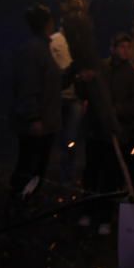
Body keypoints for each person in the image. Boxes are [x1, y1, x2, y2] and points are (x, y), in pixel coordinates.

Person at [79, 32, 134, 236]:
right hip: (96, 132)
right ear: (113, 48)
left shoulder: (132, 75)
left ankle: (105, 217)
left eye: (127, 47)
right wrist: (83, 80)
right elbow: (84, 91)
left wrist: (116, 110)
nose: (125, 50)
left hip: (116, 134)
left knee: (110, 177)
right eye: (121, 46)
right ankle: (87, 211)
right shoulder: (100, 70)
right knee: (91, 174)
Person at [10, 4, 62, 199]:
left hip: (44, 121)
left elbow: (49, 83)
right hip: (36, 123)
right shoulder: (33, 50)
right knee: (29, 166)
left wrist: (73, 75)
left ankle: (27, 202)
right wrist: (33, 118)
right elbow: (27, 87)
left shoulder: (42, 48)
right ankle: (20, 203)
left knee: (36, 166)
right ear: (47, 24)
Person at [50, 26, 85, 185]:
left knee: (71, 138)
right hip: (57, 96)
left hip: (74, 97)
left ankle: (68, 175)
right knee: (58, 137)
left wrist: (84, 96)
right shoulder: (54, 41)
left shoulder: (79, 42)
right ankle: (58, 174)